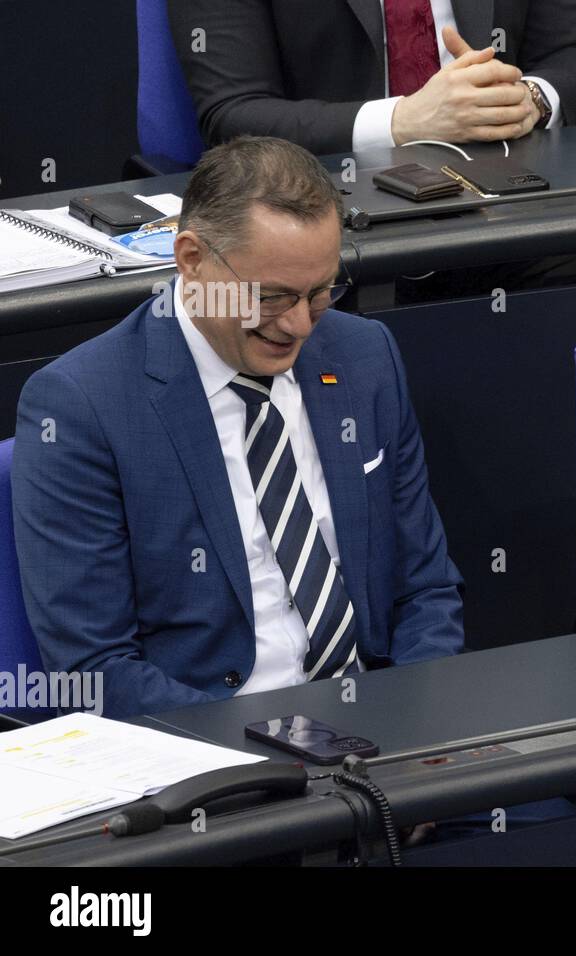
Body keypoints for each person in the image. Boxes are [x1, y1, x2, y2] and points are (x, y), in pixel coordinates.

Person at [11, 137, 464, 719]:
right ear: (191, 258)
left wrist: (419, 735)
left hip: (379, 721)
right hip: (213, 752)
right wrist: (261, 761)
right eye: (271, 296)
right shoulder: (81, 406)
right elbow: (95, 668)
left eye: (321, 291)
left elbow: (425, 588)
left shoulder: (364, 356)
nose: (300, 324)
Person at [168, 0, 576, 154]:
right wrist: (403, 121)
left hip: (509, 188)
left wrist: (527, 100)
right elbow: (233, 114)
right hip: (323, 210)